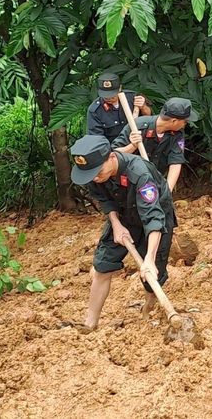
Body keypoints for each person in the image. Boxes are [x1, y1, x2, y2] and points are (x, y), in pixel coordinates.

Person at [70, 135, 175, 332]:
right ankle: (90, 323)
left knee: (152, 275)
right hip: (122, 215)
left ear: (111, 157)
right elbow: (105, 201)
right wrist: (116, 224)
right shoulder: (92, 173)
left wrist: (149, 259)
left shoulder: (139, 174)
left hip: (156, 217)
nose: (94, 178)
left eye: (98, 172)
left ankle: (147, 312)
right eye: (90, 174)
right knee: (102, 266)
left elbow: (153, 218)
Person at [112, 97, 198, 193]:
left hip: (154, 183)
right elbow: (113, 155)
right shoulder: (137, 126)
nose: (184, 125)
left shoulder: (177, 133)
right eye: (185, 122)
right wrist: (132, 146)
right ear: (174, 121)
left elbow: (176, 162)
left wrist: (167, 191)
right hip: (129, 184)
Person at [86, 72, 152, 143]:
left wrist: (143, 107)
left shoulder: (132, 97)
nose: (109, 98)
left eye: (112, 95)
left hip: (139, 142)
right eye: (105, 96)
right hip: (114, 148)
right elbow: (97, 140)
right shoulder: (95, 110)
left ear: (120, 88)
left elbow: (149, 119)